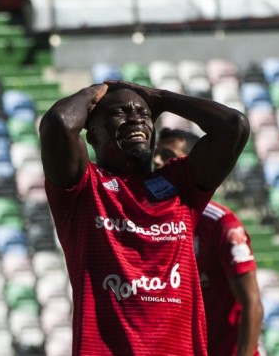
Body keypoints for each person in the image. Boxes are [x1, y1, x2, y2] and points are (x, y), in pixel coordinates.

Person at [39, 80, 250, 355]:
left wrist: (161, 98)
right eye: (120, 113)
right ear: (93, 135)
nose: (135, 119)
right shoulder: (83, 189)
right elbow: (58, 123)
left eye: (143, 114)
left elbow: (234, 126)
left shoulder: (182, 186)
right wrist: (94, 92)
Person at [155, 128, 263, 356]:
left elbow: (251, 304)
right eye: (155, 154)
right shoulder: (149, 223)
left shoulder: (222, 225)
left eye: (167, 155)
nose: (156, 161)